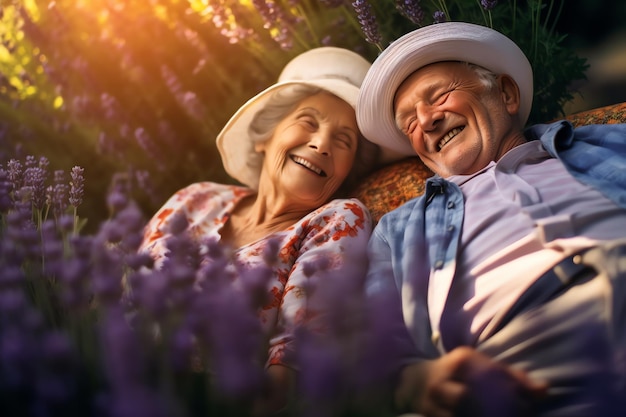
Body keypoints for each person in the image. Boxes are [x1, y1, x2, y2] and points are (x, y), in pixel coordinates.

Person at [356, 22, 626, 417]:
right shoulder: (396, 231)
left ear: (506, 93)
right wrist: (412, 381)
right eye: (410, 123)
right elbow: (374, 341)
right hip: (519, 361)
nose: (427, 121)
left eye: (439, 96)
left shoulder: (612, 140)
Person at [138, 47, 383, 415]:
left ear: (348, 172)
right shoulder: (196, 197)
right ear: (264, 137)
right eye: (308, 121)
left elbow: (295, 355)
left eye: (344, 140)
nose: (321, 144)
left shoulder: (338, 219)